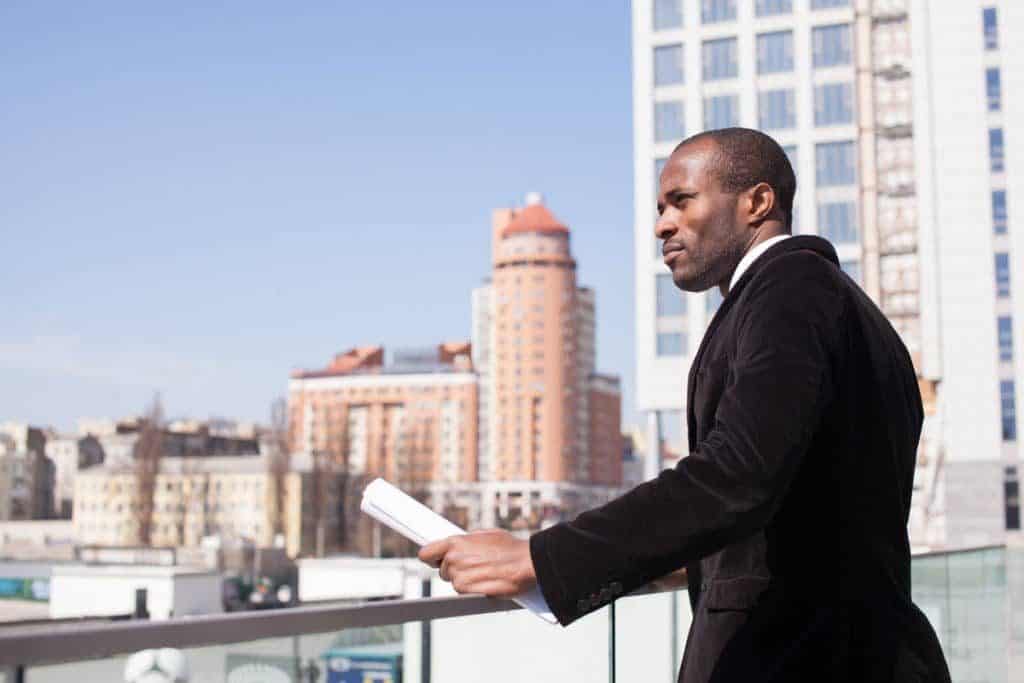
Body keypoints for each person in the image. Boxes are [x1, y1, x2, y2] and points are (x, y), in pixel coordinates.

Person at [419, 128, 950, 682]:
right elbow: (804, 506)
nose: (660, 225)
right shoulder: (842, 308)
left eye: (681, 201)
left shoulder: (791, 291)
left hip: (808, 660)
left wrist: (541, 559)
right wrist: (677, 562)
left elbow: (737, 475)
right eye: (658, 207)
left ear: (757, 203)